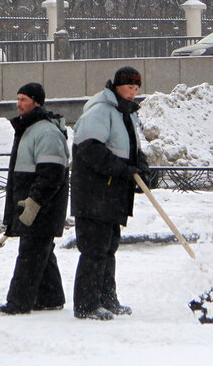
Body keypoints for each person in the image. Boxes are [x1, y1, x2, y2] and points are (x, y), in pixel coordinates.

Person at [69, 66, 150, 321]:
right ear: (116, 86)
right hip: (94, 194)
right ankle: (86, 305)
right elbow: (90, 150)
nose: (133, 92)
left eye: (136, 88)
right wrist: (122, 169)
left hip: (112, 195)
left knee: (109, 247)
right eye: (129, 87)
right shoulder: (101, 111)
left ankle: (106, 298)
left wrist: (141, 166)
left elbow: (130, 148)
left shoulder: (125, 115)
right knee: (94, 249)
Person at [0, 82, 70, 315]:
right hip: (32, 204)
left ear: (37, 102)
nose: (19, 104)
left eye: (24, 100)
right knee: (42, 252)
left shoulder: (45, 132)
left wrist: (34, 202)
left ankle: (18, 302)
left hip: (42, 207)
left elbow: (51, 174)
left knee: (30, 253)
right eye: (17, 99)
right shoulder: (29, 129)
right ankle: (51, 297)